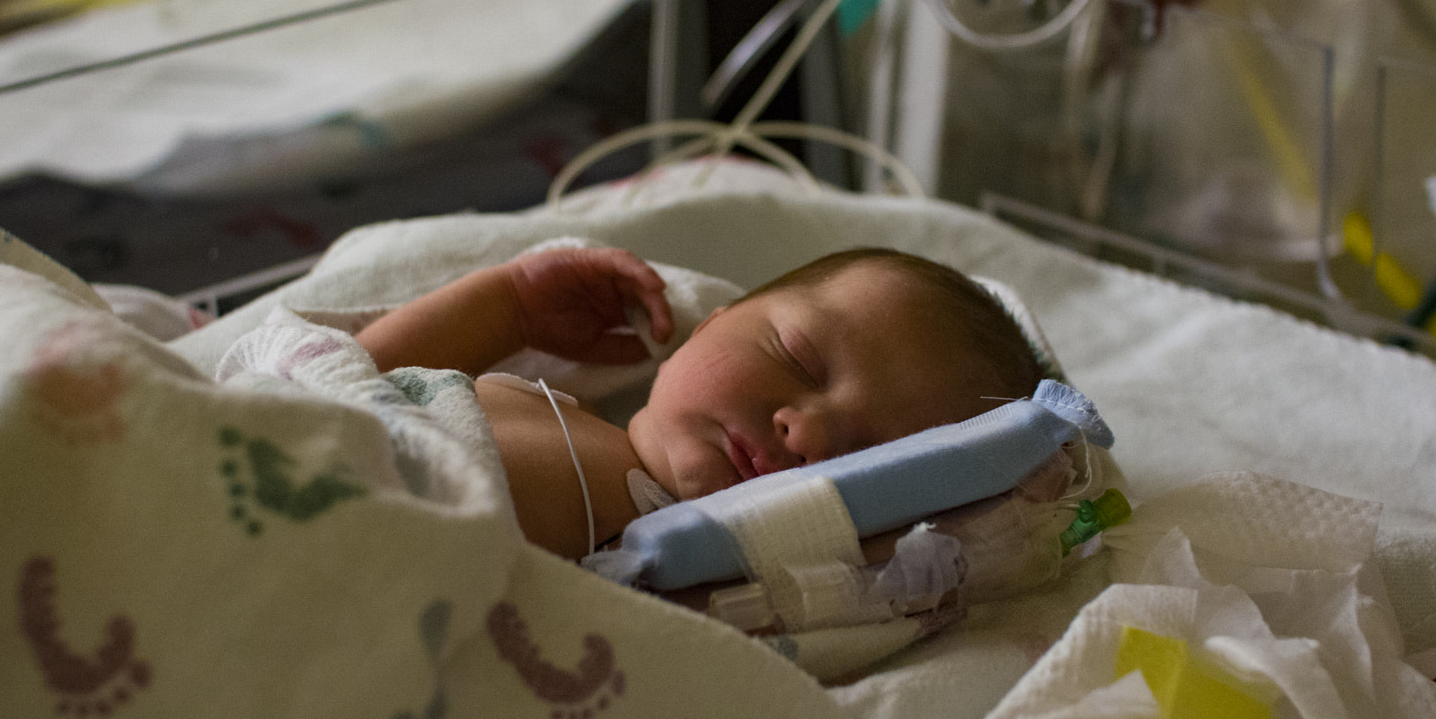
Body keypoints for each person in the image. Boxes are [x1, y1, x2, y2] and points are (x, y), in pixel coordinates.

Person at [356, 245, 1043, 560]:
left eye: (871, 455)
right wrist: (506, 308)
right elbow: (347, 374)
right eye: (799, 357)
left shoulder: (665, 556)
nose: (804, 427)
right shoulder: (535, 399)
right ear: (709, 323)